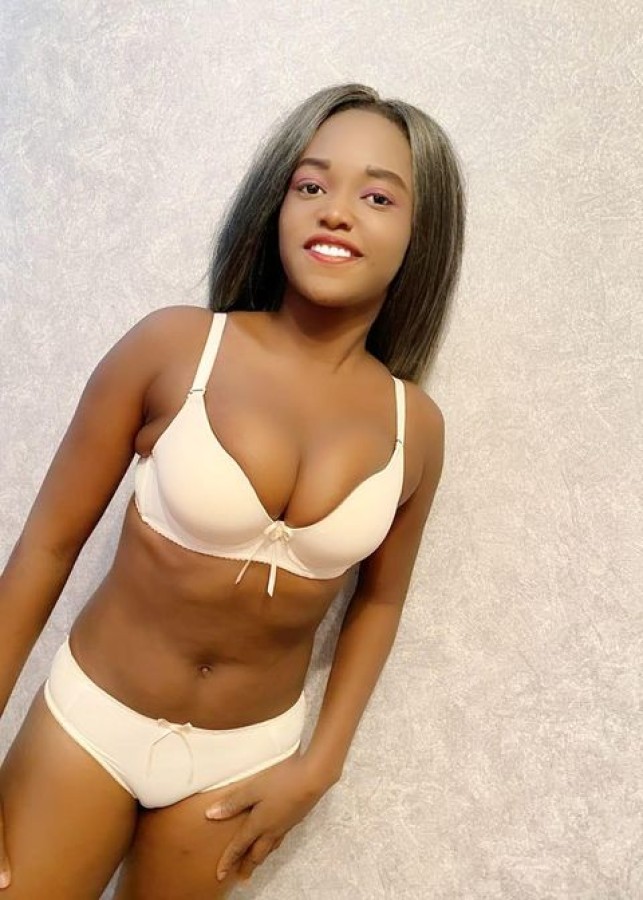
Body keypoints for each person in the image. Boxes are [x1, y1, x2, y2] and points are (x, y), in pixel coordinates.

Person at [0, 82, 465, 898]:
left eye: (377, 196)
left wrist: (321, 764)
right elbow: (47, 544)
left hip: (244, 762)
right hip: (91, 722)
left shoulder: (414, 426)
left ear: (419, 234)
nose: (335, 212)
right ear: (276, 205)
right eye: (310, 185)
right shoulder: (173, 347)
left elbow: (380, 601)